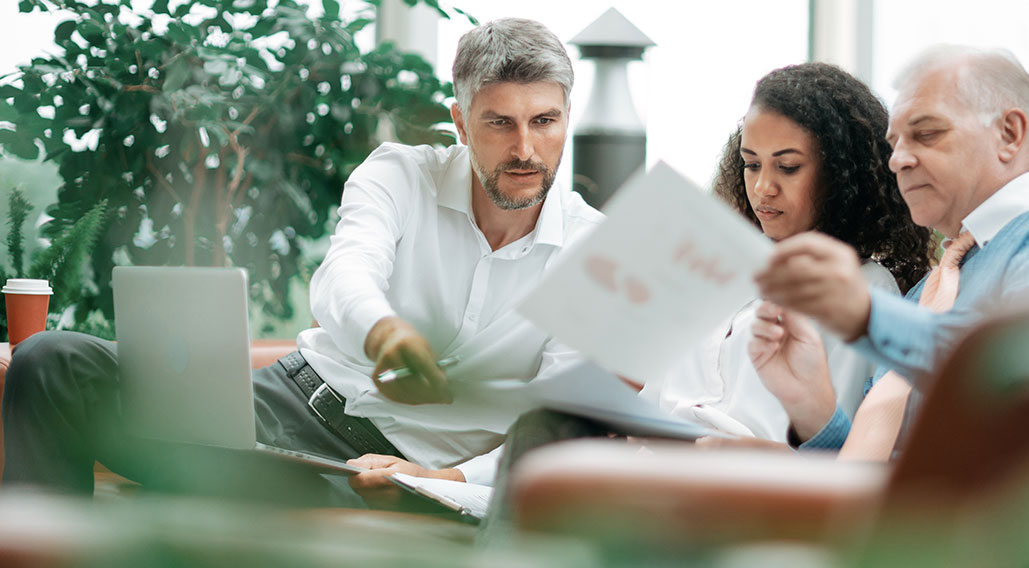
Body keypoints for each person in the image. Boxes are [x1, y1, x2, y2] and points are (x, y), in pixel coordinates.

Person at [1, 18, 602, 506]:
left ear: (565, 121)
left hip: (376, 472)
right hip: (281, 400)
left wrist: (447, 480)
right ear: (461, 124)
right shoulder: (399, 173)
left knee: (280, 509)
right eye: (501, 124)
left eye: (544, 122)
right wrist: (383, 331)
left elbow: (561, 421)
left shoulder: (595, 255)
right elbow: (347, 273)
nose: (526, 150)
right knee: (51, 360)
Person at [752, 45, 1029, 454]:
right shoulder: (924, 295)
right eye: (894, 143)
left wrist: (869, 317)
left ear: (1009, 134)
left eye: (926, 133)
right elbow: (893, 478)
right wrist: (813, 409)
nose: (898, 160)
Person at [637, 63, 932, 444]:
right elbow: (649, 403)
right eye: (751, 164)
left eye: (788, 167)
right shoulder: (712, 265)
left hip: (753, 490)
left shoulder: (863, 290)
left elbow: (835, 446)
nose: (762, 188)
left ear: (841, 174)